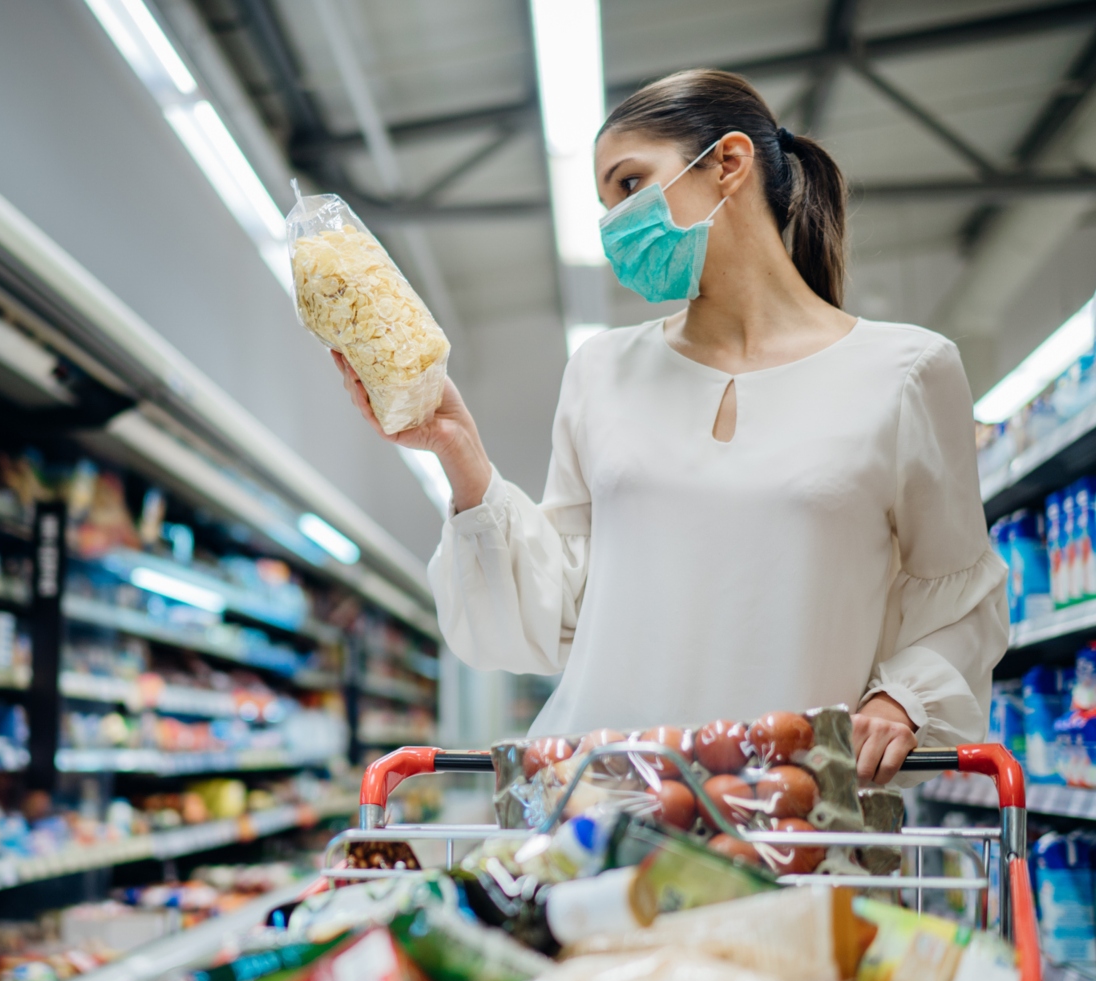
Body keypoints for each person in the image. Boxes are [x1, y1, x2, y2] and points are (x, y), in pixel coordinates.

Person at [332, 69, 1008, 786]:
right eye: (604, 202)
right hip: (600, 809)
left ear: (729, 163)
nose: (614, 225)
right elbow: (554, 612)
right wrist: (461, 456)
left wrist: (902, 700)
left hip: (792, 815)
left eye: (628, 185)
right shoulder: (601, 371)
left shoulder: (907, 371)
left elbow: (961, 599)